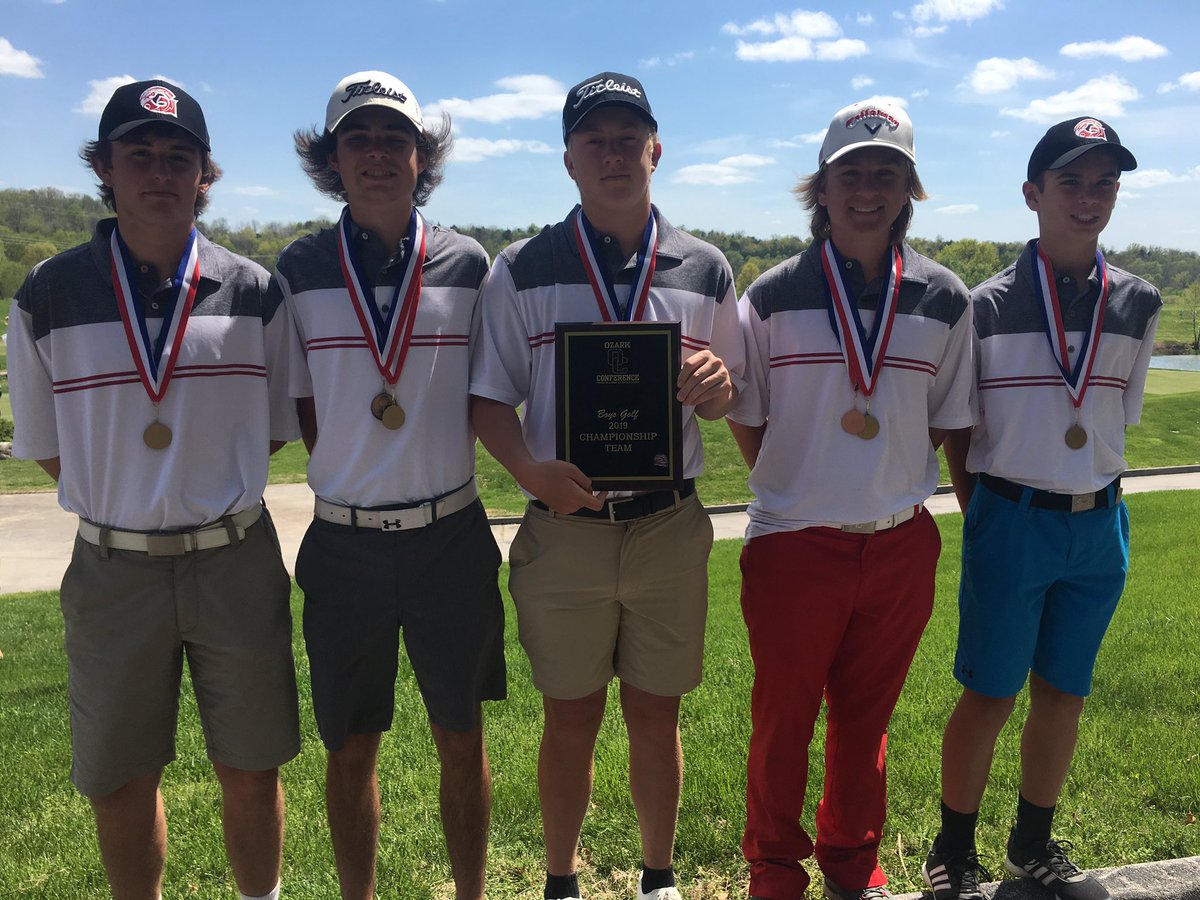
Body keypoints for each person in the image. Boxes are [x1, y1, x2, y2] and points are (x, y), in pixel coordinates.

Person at [6, 79, 300, 900]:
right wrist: (125, 497)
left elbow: (270, 427)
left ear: (206, 174)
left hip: (234, 558)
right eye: (139, 154)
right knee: (120, 778)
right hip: (113, 569)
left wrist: (197, 485)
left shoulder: (255, 290)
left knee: (250, 764)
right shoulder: (48, 293)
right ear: (103, 166)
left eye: (181, 157)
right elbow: (45, 446)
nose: (160, 172)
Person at [469, 71, 743, 900]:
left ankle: (657, 877)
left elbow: (731, 393)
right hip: (567, 529)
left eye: (630, 138)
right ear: (569, 160)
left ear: (656, 151)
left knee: (658, 714)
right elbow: (488, 398)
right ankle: (562, 880)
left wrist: (719, 387)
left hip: (667, 526)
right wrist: (529, 475)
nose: (615, 153)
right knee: (572, 718)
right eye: (596, 140)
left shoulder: (705, 267)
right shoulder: (521, 268)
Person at [726, 99, 973, 900]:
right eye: (851, 173)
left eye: (887, 172)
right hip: (796, 541)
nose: (868, 188)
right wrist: (809, 486)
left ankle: (849, 861)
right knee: (783, 721)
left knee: (865, 721)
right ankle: (773, 865)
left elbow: (943, 422)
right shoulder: (768, 296)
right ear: (821, 190)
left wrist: (884, 479)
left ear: (910, 187)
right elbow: (749, 421)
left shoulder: (945, 299)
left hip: (901, 541)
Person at [274, 71, 506, 900]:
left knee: (460, 734)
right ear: (333, 158)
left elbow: (492, 388)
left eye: (394, 138)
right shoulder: (298, 268)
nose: (377, 153)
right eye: (358, 138)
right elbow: (305, 406)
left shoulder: (469, 262)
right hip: (344, 544)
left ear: (421, 156)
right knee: (350, 745)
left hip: (451, 535)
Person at [923, 118, 1161, 900]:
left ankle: (1031, 844)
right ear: (1033, 195)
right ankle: (953, 852)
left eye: (1105, 184)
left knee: (1065, 690)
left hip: (1100, 525)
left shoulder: (1140, 302)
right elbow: (958, 427)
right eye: (1071, 183)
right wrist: (984, 511)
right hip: (1011, 519)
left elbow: (1114, 422)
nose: (1089, 199)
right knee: (989, 693)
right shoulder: (983, 307)